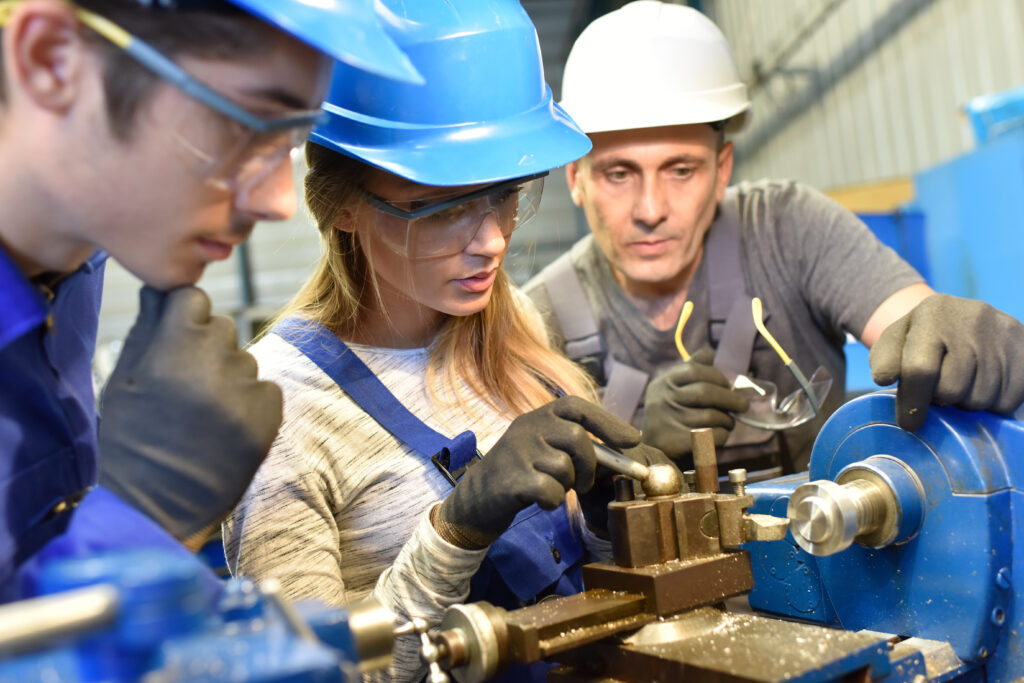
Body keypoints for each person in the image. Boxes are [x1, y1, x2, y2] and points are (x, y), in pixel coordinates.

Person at [222, 2, 671, 680]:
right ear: (343, 202)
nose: (491, 240)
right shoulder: (278, 407)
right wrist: (454, 532)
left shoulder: (510, 322)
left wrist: (614, 520)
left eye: (503, 196)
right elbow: (314, 672)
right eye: (444, 207)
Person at [0, 0, 422, 601]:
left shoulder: (74, 262)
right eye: (248, 128)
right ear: (53, 60)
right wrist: (136, 521)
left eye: (292, 141)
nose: (281, 202)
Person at [524, 0, 1024, 475]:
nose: (650, 210)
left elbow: (916, 329)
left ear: (722, 171)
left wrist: (961, 341)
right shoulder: (539, 320)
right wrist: (631, 457)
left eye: (681, 170)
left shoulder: (787, 229)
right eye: (618, 174)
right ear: (575, 179)